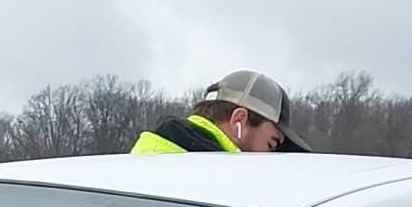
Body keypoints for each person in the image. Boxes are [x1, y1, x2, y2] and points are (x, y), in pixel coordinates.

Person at [132, 71, 309, 154]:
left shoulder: (145, 153)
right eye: (271, 145)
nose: (271, 156)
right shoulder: (216, 183)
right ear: (238, 120)